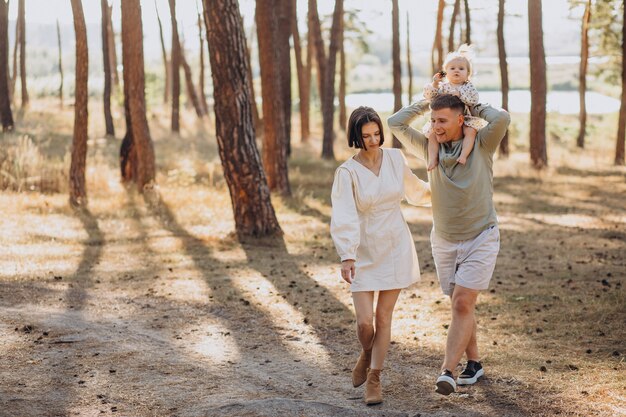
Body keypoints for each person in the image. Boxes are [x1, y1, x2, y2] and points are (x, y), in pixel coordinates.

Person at [388, 94, 510, 396]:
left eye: (442, 120)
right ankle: (475, 363)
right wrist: (425, 101)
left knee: (461, 303)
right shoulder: (430, 146)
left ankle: (447, 372)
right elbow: (395, 123)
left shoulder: (481, 144)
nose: (435, 126)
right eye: (432, 120)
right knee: (461, 305)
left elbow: (502, 119)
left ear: (460, 119)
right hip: (443, 240)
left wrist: (472, 104)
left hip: (481, 236)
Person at [330, 106, 430, 405]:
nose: (373, 141)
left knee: (384, 317)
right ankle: (367, 350)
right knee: (364, 324)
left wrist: (448, 191)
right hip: (363, 248)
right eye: (366, 136)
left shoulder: (396, 158)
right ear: (355, 137)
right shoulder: (346, 172)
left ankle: (375, 376)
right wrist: (347, 255)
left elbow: (417, 191)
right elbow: (344, 214)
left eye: (376, 134)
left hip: (395, 243)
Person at [422, 45, 486, 171]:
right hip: (446, 120)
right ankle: (433, 159)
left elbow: (474, 99)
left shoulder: (468, 87)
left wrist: (460, 95)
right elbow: (429, 96)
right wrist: (434, 83)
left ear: (468, 73)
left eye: (461, 69)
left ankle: (463, 155)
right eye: (452, 68)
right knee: (432, 135)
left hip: (465, 118)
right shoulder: (443, 86)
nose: (456, 71)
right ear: (445, 72)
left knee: (470, 132)